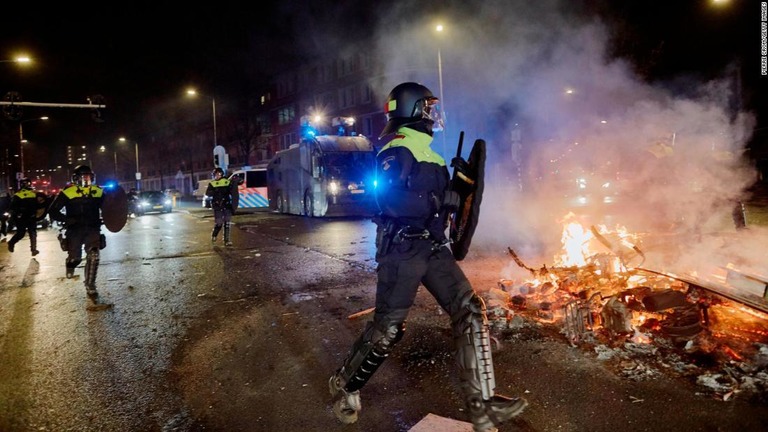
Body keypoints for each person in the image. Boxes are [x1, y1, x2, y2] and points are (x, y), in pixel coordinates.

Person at [328, 82, 527, 432]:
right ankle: (345, 385)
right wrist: (440, 201)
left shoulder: (431, 153)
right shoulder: (397, 149)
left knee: (469, 309)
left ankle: (481, 405)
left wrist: (461, 188)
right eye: (428, 108)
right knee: (388, 329)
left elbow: (447, 205)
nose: (433, 115)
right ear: (412, 109)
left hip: (432, 247)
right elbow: (386, 201)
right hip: (402, 248)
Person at [48, 165, 107, 304]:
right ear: (76, 178)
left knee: (94, 255)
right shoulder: (68, 192)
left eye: (88, 176)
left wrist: (112, 215)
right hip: (74, 229)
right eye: (83, 176)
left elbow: (109, 207)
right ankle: (70, 264)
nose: (86, 179)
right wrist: (66, 219)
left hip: (92, 228)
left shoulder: (98, 192)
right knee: (76, 258)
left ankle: (90, 285)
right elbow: (53, 211)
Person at [7, 178, 40, 255]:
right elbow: (12, 207)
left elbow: (39, 204)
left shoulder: (33, 193)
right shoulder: (18, 194)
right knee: (21, 233)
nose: (26, 185)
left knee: (33, 232)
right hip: (21, 217)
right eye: (24, 183)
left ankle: (33, 249)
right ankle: (11, 243)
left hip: (31, 216)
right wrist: (17, 213)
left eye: (27, 183)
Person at [205, 167, 236, 246]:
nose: (217, 176)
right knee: (219, 223)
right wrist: (215, 191)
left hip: (226, 204)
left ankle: (226, 240)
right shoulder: (212, 184)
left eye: (219, 174)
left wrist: (236, 181)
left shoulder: (227, 182)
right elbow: (208, 193)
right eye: (216, 175)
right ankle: (214, 235)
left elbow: (232, 190)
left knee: (227, 223)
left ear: (222, 174)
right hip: (217, 205)